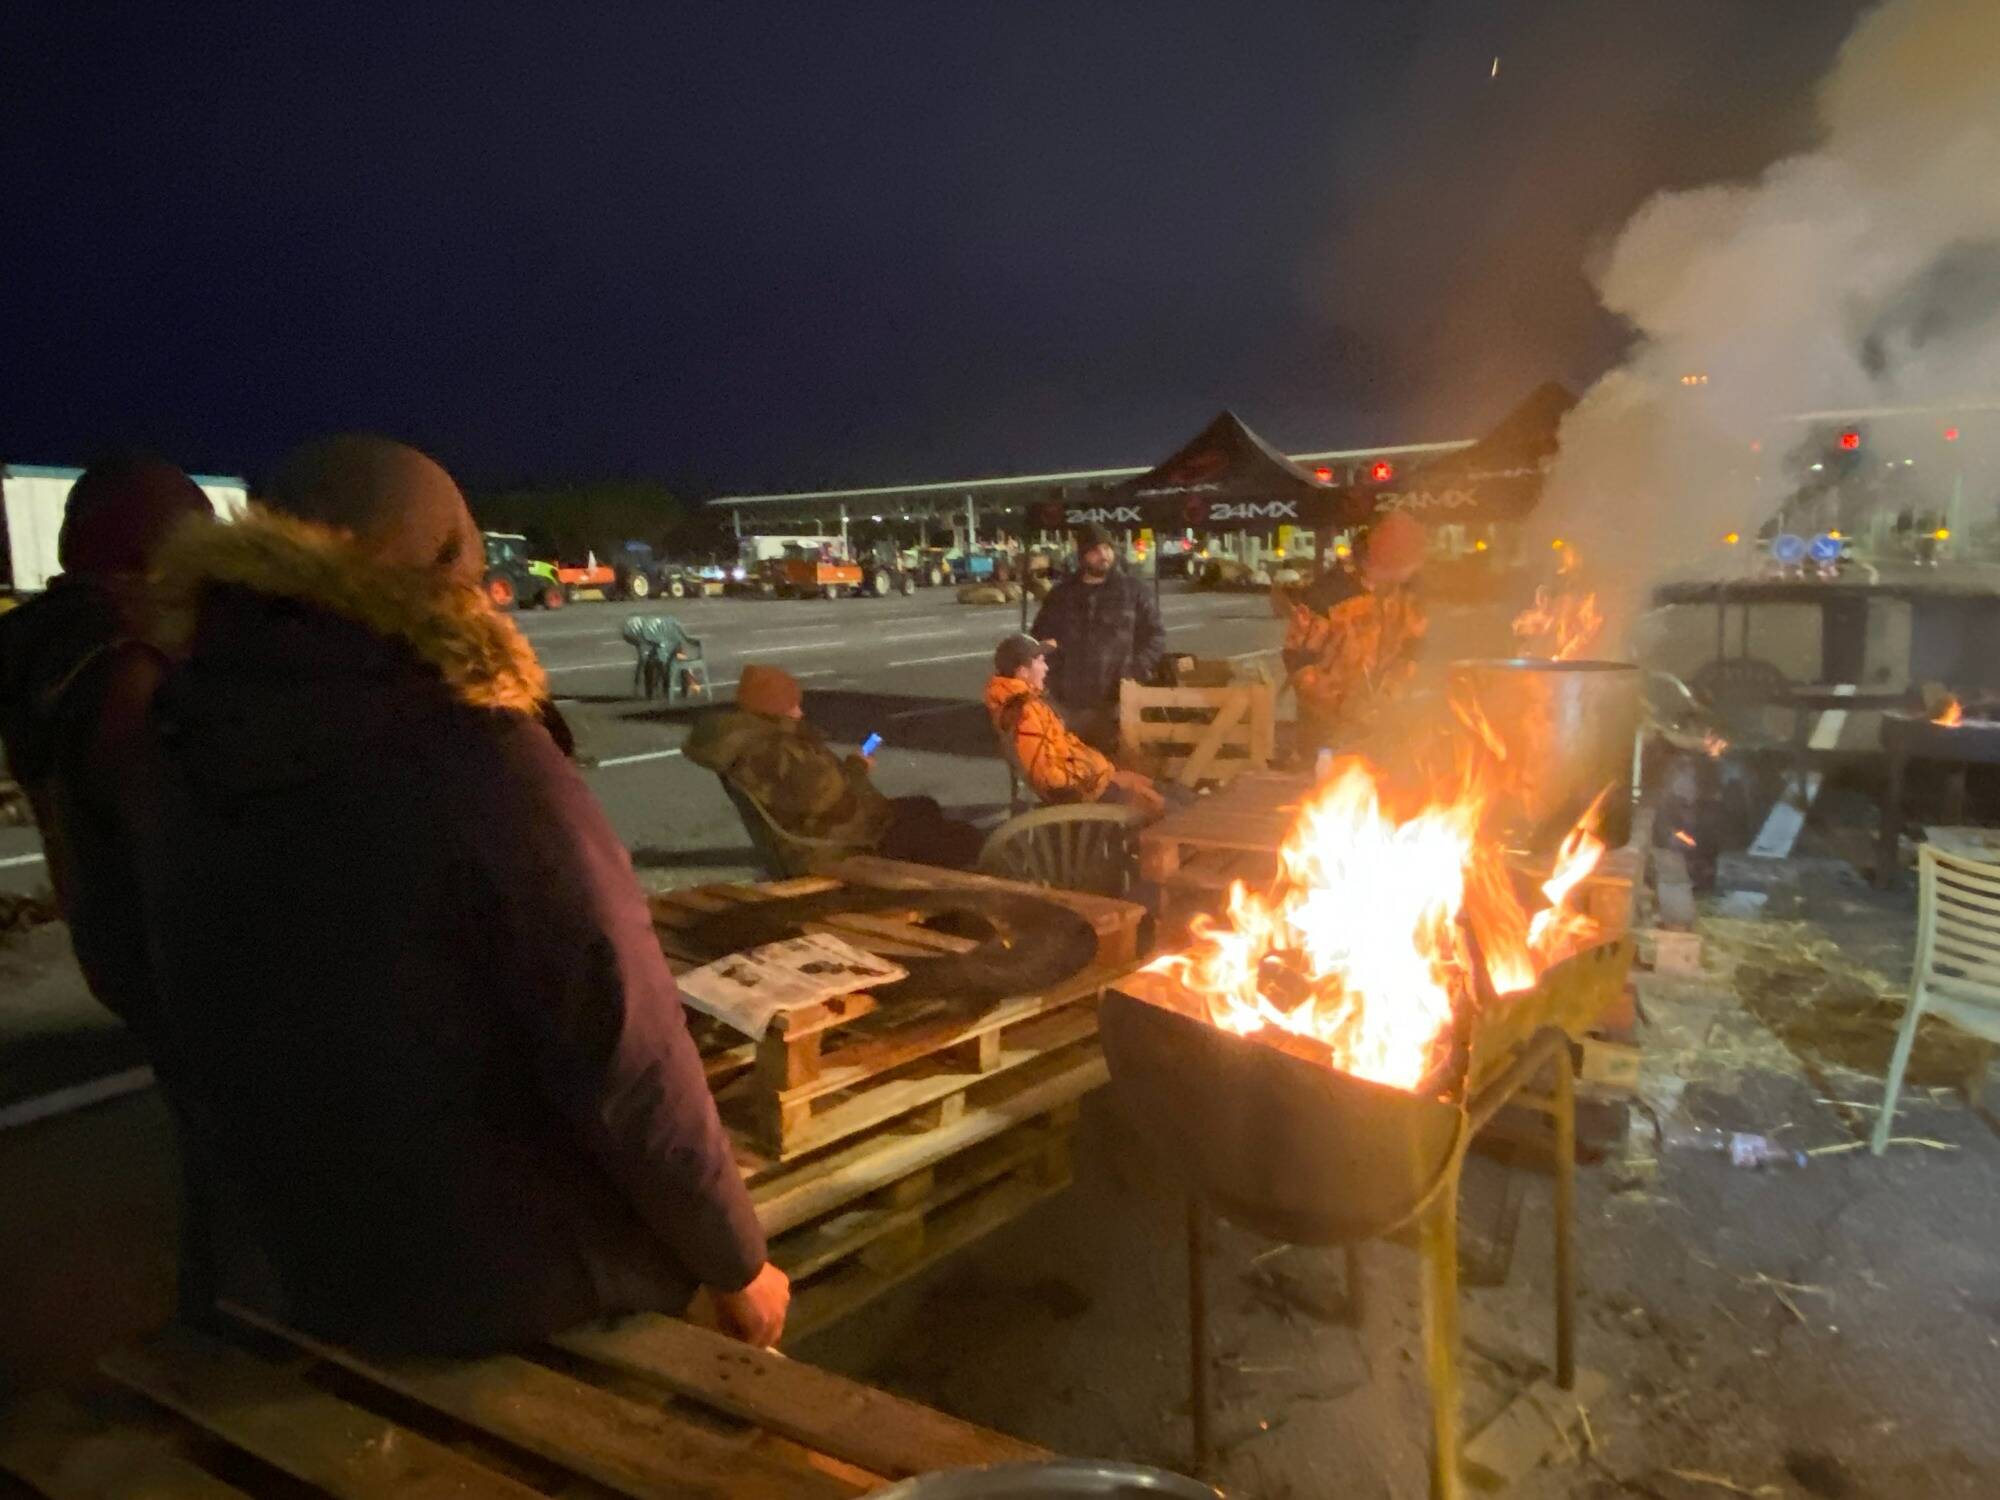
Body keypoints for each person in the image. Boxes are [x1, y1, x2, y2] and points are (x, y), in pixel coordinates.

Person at [136, 434, 787, 1354]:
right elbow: (619, 1039)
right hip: (502, 1282)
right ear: (438, 572)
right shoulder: (468, 747)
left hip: (296, 1256)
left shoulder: (176, 730)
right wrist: (738, 1261)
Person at [0, 454, 214, 1042]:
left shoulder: (47, 644)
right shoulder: (126, 665)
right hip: (182, 961)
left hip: (112, 945)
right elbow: (170, 829)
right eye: (203, 533)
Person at [686, 663, 985, 868]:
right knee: (962, 838)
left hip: (812, 834)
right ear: (774, 708)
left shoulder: (751, 745)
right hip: (834, 848)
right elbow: (840, 804)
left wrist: (853, 768)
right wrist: (857, 769)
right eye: (793, 705)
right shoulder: (780, 753)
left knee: (925, 807)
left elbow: (819, 794)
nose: (800, 711)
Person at [1281, 510, 1429, 755]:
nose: (1409, 575)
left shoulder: (1405, 595)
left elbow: (1414, 645)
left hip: (1384, 726)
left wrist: (1394, 689)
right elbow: (1298, 659)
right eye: (1404, 567)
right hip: (1328, 729)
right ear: (1378, 560)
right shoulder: (1328, 595)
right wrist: (1340, 705)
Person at [984, 633, 1164, 815]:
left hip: (1089, 780)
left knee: (1149, 785)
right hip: (1082, 790)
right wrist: (1089, 774)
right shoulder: (1024, 712)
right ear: (1022, 671)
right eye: (1040, 661)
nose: (1046, 668)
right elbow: (1047, 776)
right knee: (1157, 803)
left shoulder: (1026, 704)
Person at [1029, 523, 1166, 751]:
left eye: (1107, 548)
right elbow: (1040, 639)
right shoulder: (1062, 595)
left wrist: (1134, 672)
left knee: (1116, 773)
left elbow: (1155, 636)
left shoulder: (1134, 592)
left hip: (1116, 703)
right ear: (1083, 556)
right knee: (1070, 771)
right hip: (1068, 704)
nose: (1103, 555)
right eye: (1095, 550)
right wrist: (1051, 681)